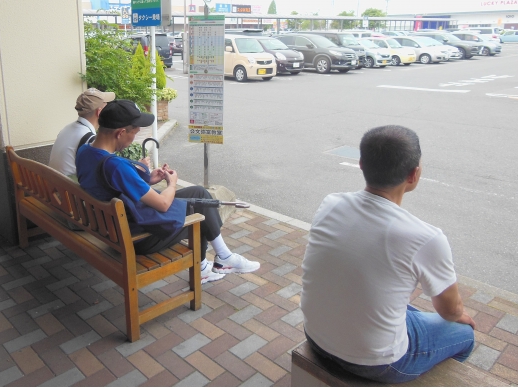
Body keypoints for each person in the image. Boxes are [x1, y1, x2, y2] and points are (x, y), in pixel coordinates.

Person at [300, 125, 475, 383]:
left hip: (316, 336)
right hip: (378, 363)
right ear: (413, 174)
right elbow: (450, 311)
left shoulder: (330, 203)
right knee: (465, 335)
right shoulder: (426, 238)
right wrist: (460, 318)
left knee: (405, 309)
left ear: (361, 164)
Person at [76, 99, 260, 283]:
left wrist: (148, 179)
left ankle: (215, 261)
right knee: (201, 213)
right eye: (134, 133)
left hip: (113, 227)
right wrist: (172, 184)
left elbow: (110, 183)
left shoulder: (85, 151)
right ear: (120, 132)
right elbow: (163, 204)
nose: (133, 140)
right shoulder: (115, 166)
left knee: (198, 193)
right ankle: (219, 260)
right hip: (137, 238)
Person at [48, 88, 115, 177]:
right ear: (99, 112)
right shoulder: (89, 139)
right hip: (69, 185)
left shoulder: (67, 128)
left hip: (53, 183)